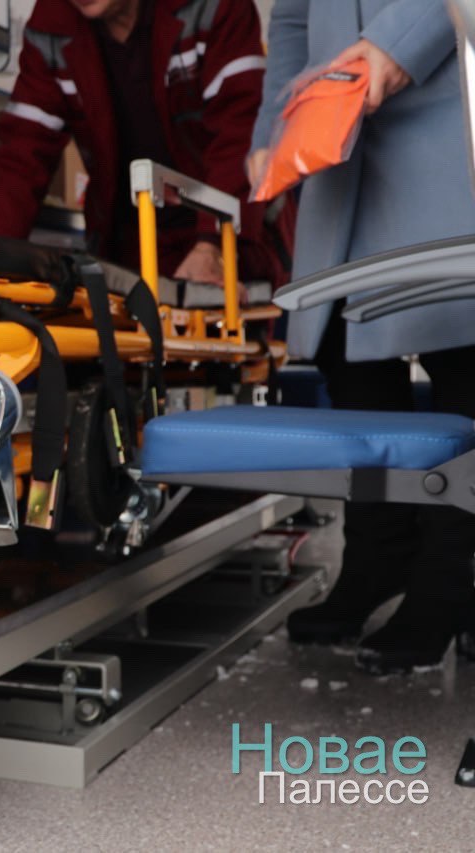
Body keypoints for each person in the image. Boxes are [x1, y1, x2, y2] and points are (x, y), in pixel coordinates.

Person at [249, 0, 475, 674]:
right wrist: (274, 125)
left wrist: (399, 45)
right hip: (336, 133)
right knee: (347, 354)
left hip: (445, 113)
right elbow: (293, 18)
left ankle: (450, 574)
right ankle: (379, 554)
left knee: (460, 350)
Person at [0, 0, 292, 285]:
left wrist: (213, 246)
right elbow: (20, 157)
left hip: (234, 242)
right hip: (128, 254)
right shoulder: (51, 25)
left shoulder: (214, 7)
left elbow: (242, 132)